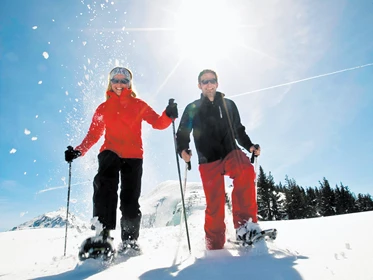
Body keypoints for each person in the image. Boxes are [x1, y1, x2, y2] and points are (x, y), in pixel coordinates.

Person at [65, 66, 178, 250]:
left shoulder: (138, 104)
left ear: (129, 84)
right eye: (115, 80)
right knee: (104, 185)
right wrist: (78, 151)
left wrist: (168, 114)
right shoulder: (103, 108)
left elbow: (158, 123)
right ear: (110, 83)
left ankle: (130, 241)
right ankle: (102, 235)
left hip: (133, 156)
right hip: (110, 151)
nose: (119, 84)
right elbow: (93, 135)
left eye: (123, 81)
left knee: (130, 198)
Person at [176, 69, 261, 250]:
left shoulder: (229, 104)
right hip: (208, 159)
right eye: (205, 82)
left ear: (217, 83)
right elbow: (183, 132)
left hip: (230, 151)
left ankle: (245, 226)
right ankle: (214, 245)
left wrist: (250, 146)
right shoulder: (193, 108)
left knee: (245, 170)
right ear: (199, 85)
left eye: (212, 81)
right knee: (215, 204)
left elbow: (238, 129)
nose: (209, 85)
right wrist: (182, 149)